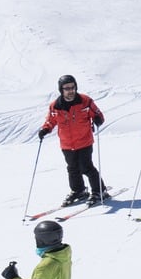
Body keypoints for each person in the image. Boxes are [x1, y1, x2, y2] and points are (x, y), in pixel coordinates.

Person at [40, 75, 106, 205]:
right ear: (61, 90)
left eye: (72, 87)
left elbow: (98, 114)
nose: (70, 90)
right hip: (66, 143)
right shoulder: (55, 106)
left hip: (84, 141)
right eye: (67, 88)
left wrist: (98, 119)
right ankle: (78, 190)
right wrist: (45, 129)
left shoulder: (85, 101)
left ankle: (100, 191)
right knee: (72, 168)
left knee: (86, 167)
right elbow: (50, 121)